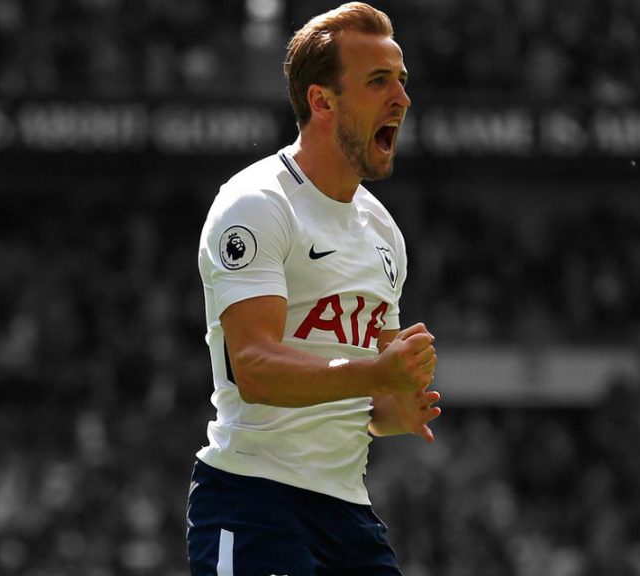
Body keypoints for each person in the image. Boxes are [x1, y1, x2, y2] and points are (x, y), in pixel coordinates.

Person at [186, 3, 440, 574]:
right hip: (252, 501)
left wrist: (397, 403)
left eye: (401, 81)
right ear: (322, 101)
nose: (401, 99)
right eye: (379, 82)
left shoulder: (383, 233)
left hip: (346, 511)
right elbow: (253, 367)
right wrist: (376, 375)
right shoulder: (257, 204)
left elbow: (369, 405)